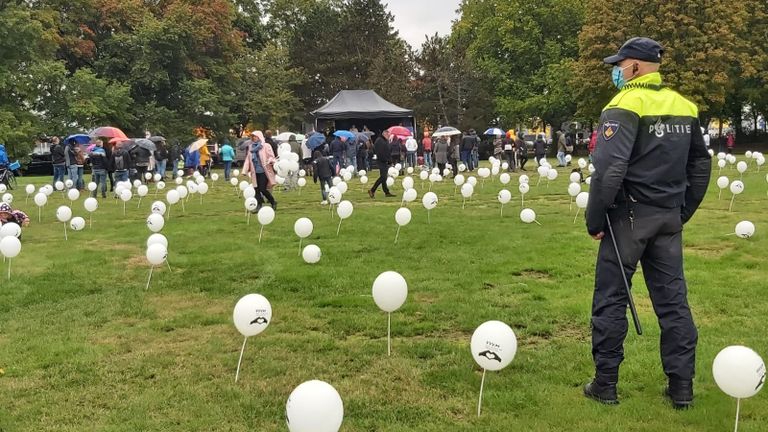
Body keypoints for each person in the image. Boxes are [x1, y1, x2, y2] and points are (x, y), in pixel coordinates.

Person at [583, 37, 711, 409]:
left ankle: (605, 383)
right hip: (667, 217)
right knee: (674, 304)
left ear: (635, 66)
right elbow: (701, 165)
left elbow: (609, 169)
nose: (616, 71)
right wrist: (683, 210)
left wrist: (594, 219)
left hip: (628, 218)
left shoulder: (624, 103)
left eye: (619, 65)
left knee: (610, 300)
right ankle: (681, 387)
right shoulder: (684, 105)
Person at [242, 131, 277, 211]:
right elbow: (248, 159)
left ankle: (273, 201)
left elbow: (271, 156)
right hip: (255, 171)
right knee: (256, 189)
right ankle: (259, 206)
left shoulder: (266, 146)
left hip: (264, 171)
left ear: (259, 137)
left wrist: (270, 161)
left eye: (255, 136)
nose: (254, 138)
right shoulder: (251, 147)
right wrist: (245, 170)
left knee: (262, 189)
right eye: (253, 137)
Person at [368, 130, 395, 198]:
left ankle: (386, 192)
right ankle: (372, 190)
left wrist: (389, 160)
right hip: (382, 161)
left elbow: (387, 151)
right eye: (388, 135)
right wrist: (387, 160)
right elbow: (381, 153)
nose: (389, 137)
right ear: (385, 134)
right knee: (383, 177)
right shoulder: (380, 141)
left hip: (384, 161)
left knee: (384, 177)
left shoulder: (383, 141)